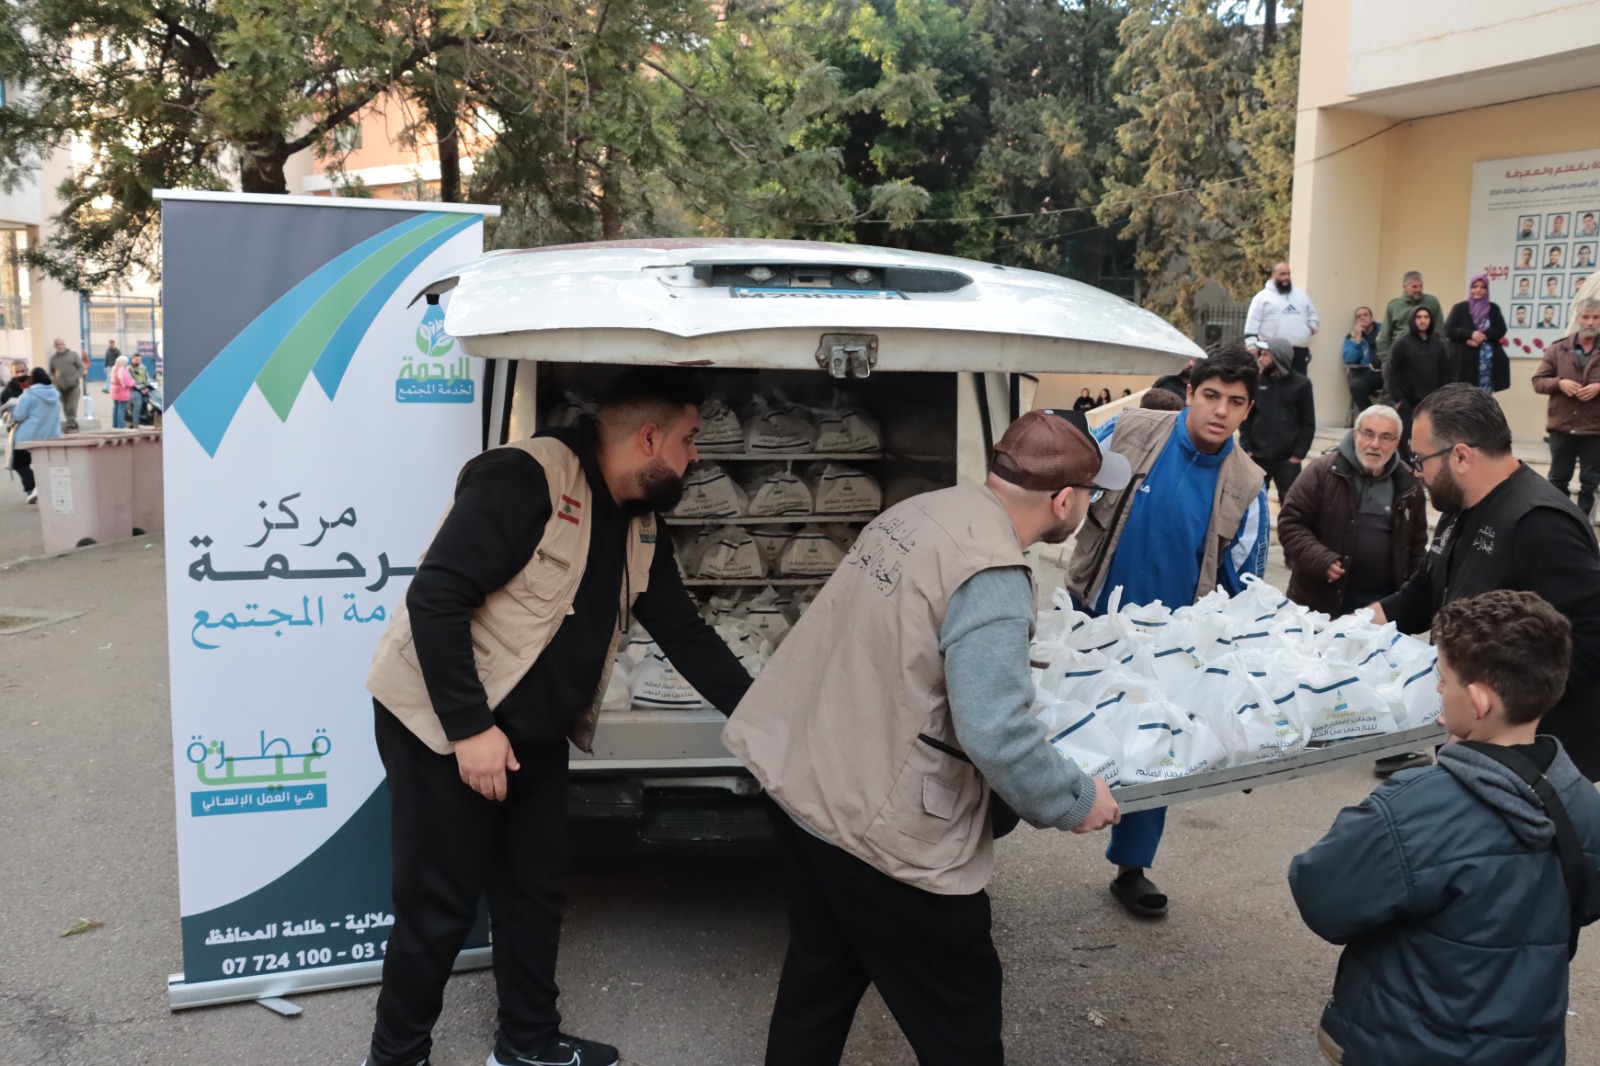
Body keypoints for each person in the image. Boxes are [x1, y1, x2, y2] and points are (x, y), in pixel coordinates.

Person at [360, 370, 759, 1066]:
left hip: (534, 734)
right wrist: (470, 730)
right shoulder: (526, 479)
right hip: (443, 725)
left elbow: (686, 634)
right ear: (649, 438)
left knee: (534, 892)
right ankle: (396, 1057)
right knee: (438, 907)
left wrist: (769, 721)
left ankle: (528, 1044)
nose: (696, 456)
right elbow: (437, 598)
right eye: (690, 439)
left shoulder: (639, 521)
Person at [723, 409, 1126, 1066]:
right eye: (1089, 493)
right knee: (960, 1023)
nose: (1088, 504)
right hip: (882, 836)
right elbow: (996, 732)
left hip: (809, 787)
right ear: (1063, 500)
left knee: (818, 983)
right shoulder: (992, 572)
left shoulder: (920, 512)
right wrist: (1075, 800)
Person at [1291, 589, 1600, 1066]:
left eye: (1443, 679)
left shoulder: (1415, 806)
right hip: (1529, 1048)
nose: (1438, 690)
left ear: (1477, 701)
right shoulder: (1581, 800)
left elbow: (1322, 896)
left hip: (1406, 1044)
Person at [1067, 346, 1270, 919]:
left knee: (1154, 746)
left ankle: (1131, 866)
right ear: (1189, 393)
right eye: (1211, 395)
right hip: (1090, 616)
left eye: (1235, 402)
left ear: (1248, 410)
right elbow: (1069, 475)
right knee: (1046, 730)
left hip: (1170, 645)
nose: (1220, 411)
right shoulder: (1128, 430)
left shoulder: (1249, 486)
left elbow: (1245, 587)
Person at [1369, 384, 1600, 779]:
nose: (1417, 472)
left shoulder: (1541, 523)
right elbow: (1423, 593)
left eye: (1419, 459)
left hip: (1531, 761)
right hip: (1474, 744)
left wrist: (1493, 711)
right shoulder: (1460, 505)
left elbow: (1592, 638)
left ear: (1461, 456)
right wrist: (1349, 629)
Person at [1278, 406, 1427, 617]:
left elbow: (1416, 545)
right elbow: (1290, 523)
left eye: (1385, 437)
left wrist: (1410, 600)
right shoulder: (1322, 472)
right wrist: (1320, 559)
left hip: (1380, 608)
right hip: (1319, 603)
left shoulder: (1408, 484)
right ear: (1355, 434)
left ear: (1396, 443)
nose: (1375, 444)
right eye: (1368, 434)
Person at [1533, 298, 1600, 522]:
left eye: (1596, 317)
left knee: (1591, 482)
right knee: (1557, 480)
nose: (1590, 322)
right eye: (1586, 317)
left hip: (1594, 429)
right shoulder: (1557, 349)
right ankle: (1559, 522)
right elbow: (1538, 382)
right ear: (1578, 318)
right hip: (1562, 427)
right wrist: (1559, 383)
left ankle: (1585, 525)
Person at [1240, 337, 1315, 500]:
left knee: (1291, 504)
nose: (1260, 358)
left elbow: (1308, 423)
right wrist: (1247, 449)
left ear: (1279, 357)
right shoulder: (1257, 381)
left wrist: (1298, 455)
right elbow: (1246, 417)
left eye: (1265, 354)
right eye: (1260, 354)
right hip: (1257, 457)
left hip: (1287, 460)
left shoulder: (1302, 384)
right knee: (1251, 503)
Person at [1383, 304, 1448, 458]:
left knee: (1427, 439)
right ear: (1413, 320)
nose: (1422, 320)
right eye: (1419, 317)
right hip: (1405, 402)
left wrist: (1442, 398)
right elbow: (1391, 370)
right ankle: (1404, 467)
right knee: (1404, 439)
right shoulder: (1402, 343)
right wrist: (1397, 398)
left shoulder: (1438, 345)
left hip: (1430, 402)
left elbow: (1445, 374)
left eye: (1426, 317)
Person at [1243, 261, 1320, 373]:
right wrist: (1251, 346)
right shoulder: (1262, 297)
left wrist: (1310, 329)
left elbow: (1313, 315)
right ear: (1273, 275)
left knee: (1299, 382)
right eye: (1282, 274)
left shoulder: (1302, 296)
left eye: (1288, 274)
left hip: (1299, 351)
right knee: (1273, 381)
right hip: (1272, 351)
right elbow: (1252, 322)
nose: (1286, 277)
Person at [1444, 275, 1509, 393]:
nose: (1478, 290)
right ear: (1470, 288)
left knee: (1484, 399)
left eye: (1482, 287)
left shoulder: (1493, 308)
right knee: (1464, 396)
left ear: (1487, 290)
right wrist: (1470, 334)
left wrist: (1484, 336)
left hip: (1487, 365)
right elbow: (1448, 330)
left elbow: (1501, 329)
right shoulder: (1460, 308)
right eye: (1475, 286)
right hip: (1464, 364)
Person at [8, 368, 60, 504]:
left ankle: (32, 488)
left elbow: (19, 416)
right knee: (45, 464)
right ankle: (44, 488)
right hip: (51, 436)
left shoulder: (28, 395)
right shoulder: (55, 394)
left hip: (28, 437)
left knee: (19, 463)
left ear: (33, 379)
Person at [1376, 271, 1443, 369]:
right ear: (1404, 287)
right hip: (1400, 354)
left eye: (1421, 286)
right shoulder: (1394, 306)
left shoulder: (1432, 302)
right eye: (1414, 287)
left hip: (1426, 352)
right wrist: (1386, 360)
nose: (1419, 289)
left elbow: (1440, 331)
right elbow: (1384, 336)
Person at [1342, 306, 1383, 411]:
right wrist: (1357, 339)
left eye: (1365, 315)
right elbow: (1349, 359)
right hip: (1367, 373)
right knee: (1356, 385)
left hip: (1386, 371)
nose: (1362, 317)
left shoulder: (1384, 331)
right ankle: (1370, 415)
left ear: (1372, 318)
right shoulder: (1351, 337)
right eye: (1358, 316)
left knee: (1398, 385)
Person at [47, 337, 85, 434]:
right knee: (65, 407)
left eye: (61, 344)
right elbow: (51, 372)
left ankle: (72, 424)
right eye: (57, 345)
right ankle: (71, 425)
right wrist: (55, 381)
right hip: (60, 387)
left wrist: (75, 377)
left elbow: (81, 367)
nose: (60, 346)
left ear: (64, 345)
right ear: (55, 346)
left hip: (73, 386)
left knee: (71, 407)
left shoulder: (73, 355)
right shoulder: (53, 359)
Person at [108, 355, 135, 429]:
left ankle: (115, 424)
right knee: (121, 409)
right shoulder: (123, 370)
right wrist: (133, 381)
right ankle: (121, 425)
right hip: (123, 392)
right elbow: (127, 383)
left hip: (114, 391)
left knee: (115, 408)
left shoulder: (113, 369)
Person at [127, 352, 150, 425]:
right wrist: (141, 389)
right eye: (136, 360)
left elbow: (147, 378)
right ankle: (135, 423)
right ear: (132, 359)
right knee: (138, 404)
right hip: (134, 389)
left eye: (139, 360)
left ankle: (144, 419)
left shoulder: (144, 368)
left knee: (146, 402)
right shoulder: (129, 369)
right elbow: (130, 380)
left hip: (144, 389)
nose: (138, 361)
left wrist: (147, 387)